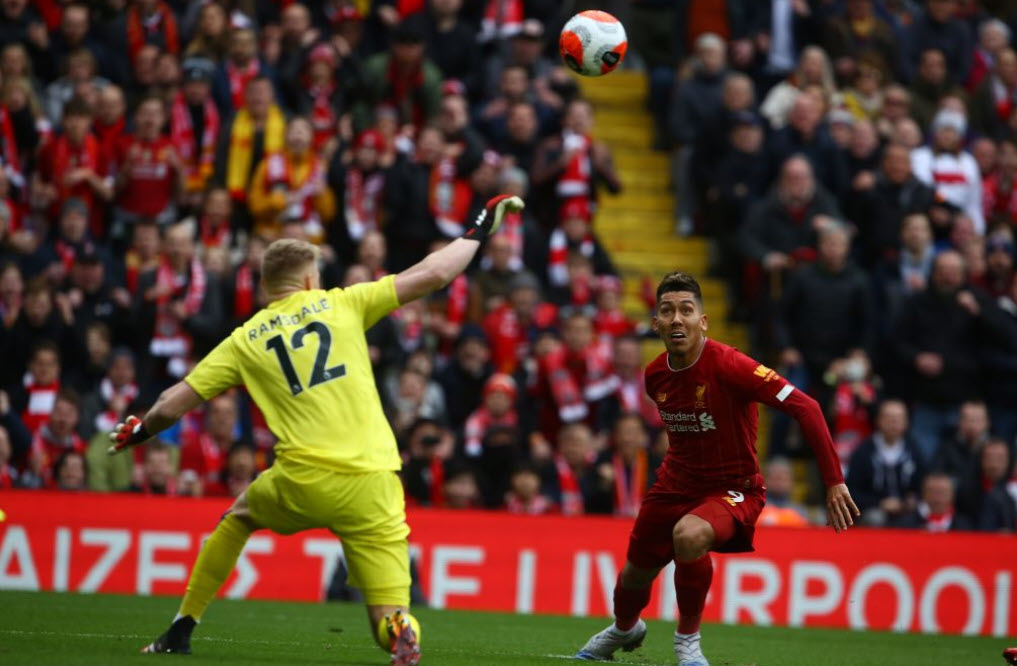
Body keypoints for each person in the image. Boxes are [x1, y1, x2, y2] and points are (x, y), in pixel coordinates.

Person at [106, 193, 524, 664]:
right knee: (383, 620)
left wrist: (140, 430)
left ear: (268, 286)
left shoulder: (244, 340)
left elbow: (174, 401)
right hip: (375, 481)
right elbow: (433, 274)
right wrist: (479, 229)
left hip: (305, 477)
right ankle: (402, 627)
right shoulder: (343, 303)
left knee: (238, 519)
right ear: (309, 279)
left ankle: (182, 628)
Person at [575, 272, 857, 666]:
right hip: (675, 484)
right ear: (655, 322)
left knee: (689, 535)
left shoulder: (731, 365)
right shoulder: (655, 375)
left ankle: (687, 641)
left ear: (702, 321)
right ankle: (625, 628)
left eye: (686, 310)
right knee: (633, 576)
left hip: (733, 487)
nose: (677, 319)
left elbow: (806, 407)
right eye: (667, 311)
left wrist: (833, 481)